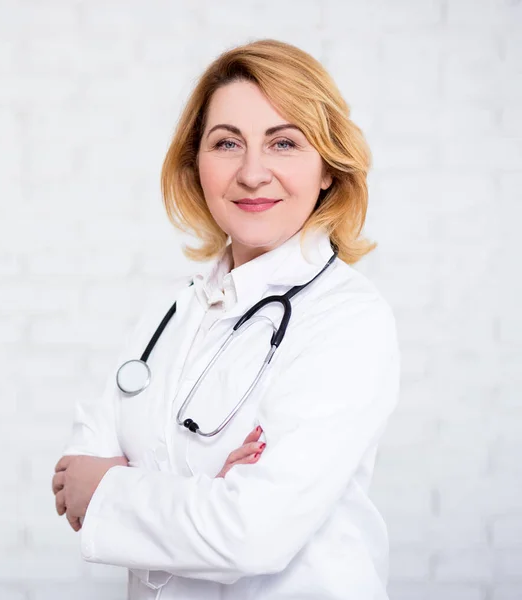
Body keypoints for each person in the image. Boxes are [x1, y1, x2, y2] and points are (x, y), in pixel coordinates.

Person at [52, 38, 400, 600]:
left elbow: (251, 533)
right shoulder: (170, 310)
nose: (252, 172)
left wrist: (117, 491)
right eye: (227, 143)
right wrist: (205, 490)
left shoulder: (349, 319)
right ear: (196, 165)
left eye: (284, 142)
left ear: (328, 169)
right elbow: (76, 475)